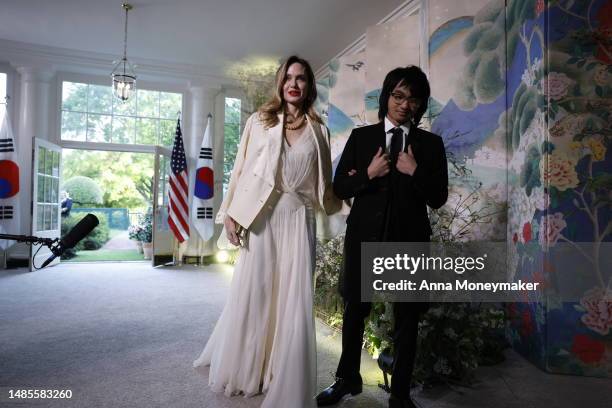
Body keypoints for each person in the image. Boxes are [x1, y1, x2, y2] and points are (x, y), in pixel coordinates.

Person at [193, 55, 341, 408]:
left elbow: (326, 184)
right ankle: (249, 371)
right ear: (280, 83)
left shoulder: (320, 130)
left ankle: (282, 373)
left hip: (298, 220)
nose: (294, 83)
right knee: (257, 292)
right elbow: (239, 169)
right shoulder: (259, 122)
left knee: (293, 299)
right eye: (288, 77)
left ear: (309, 86)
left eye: (301, 78)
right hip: (261, 218)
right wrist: (229, 214)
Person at [316, 66, 448, 408]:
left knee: (407, 319)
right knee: (354, 311)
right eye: (398, 96)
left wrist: (414, 171)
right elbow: (339, 187)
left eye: (413, 100)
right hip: (364, 238)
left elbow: (439, 197)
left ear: (420, 106)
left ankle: (400, 394)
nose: (405, 105)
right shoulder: (361, 138)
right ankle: (347, 380)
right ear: (387, 96)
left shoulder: (431, 145)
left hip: (409, 240)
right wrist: (368, 174)